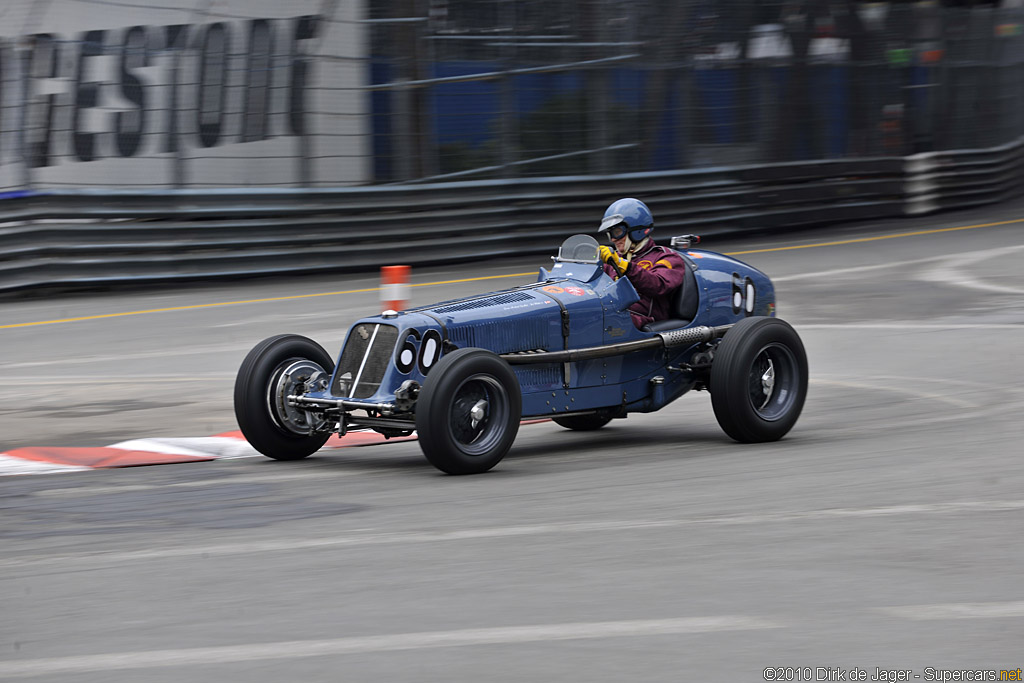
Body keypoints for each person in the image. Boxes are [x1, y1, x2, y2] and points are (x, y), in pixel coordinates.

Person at [597, 198, 687, 330]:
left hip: (645, 319)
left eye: (617, 232)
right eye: (610, 234)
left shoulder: (666, 257)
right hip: (614, 312)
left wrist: (626, 267)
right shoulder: (613, 259)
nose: (614, 239)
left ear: (636, 230)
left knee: (602, 322)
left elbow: (658, 285)